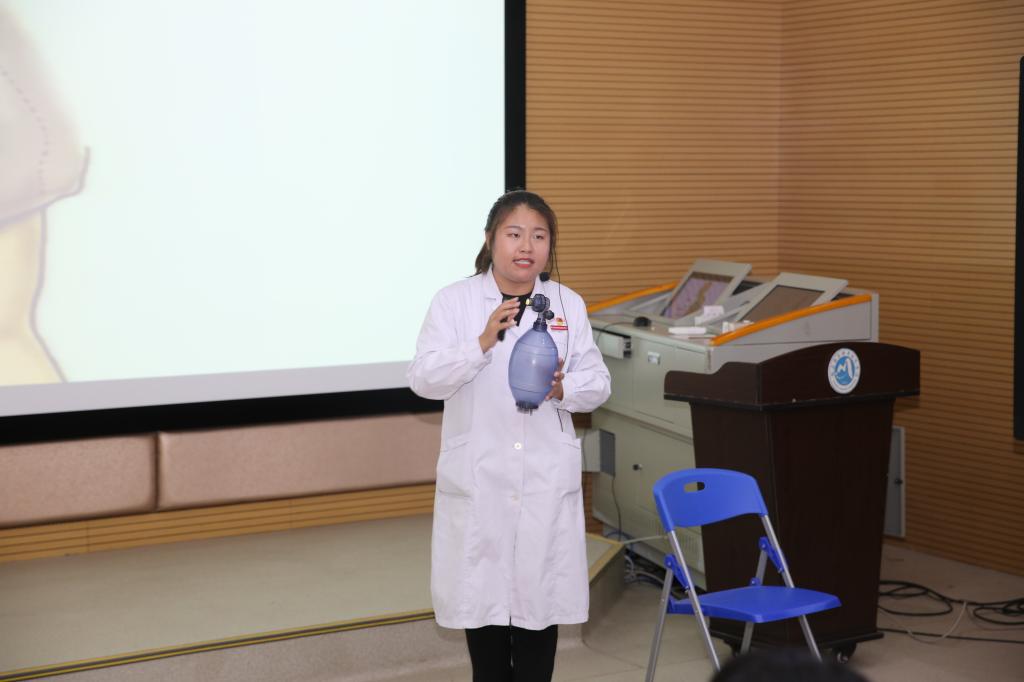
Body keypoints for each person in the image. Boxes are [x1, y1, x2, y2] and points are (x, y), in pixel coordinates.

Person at [407, 190, 611, 682]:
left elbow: (599, 383)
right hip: (482, 481)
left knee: (539, 618)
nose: (526, 246)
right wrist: (480, 343)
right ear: (490, 239)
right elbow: (424, 379)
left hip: (543, 480)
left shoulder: (567, 304)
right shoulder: (455, 302)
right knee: (486, 625)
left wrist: (563, 387)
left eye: (539, 236)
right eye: (514, 234)